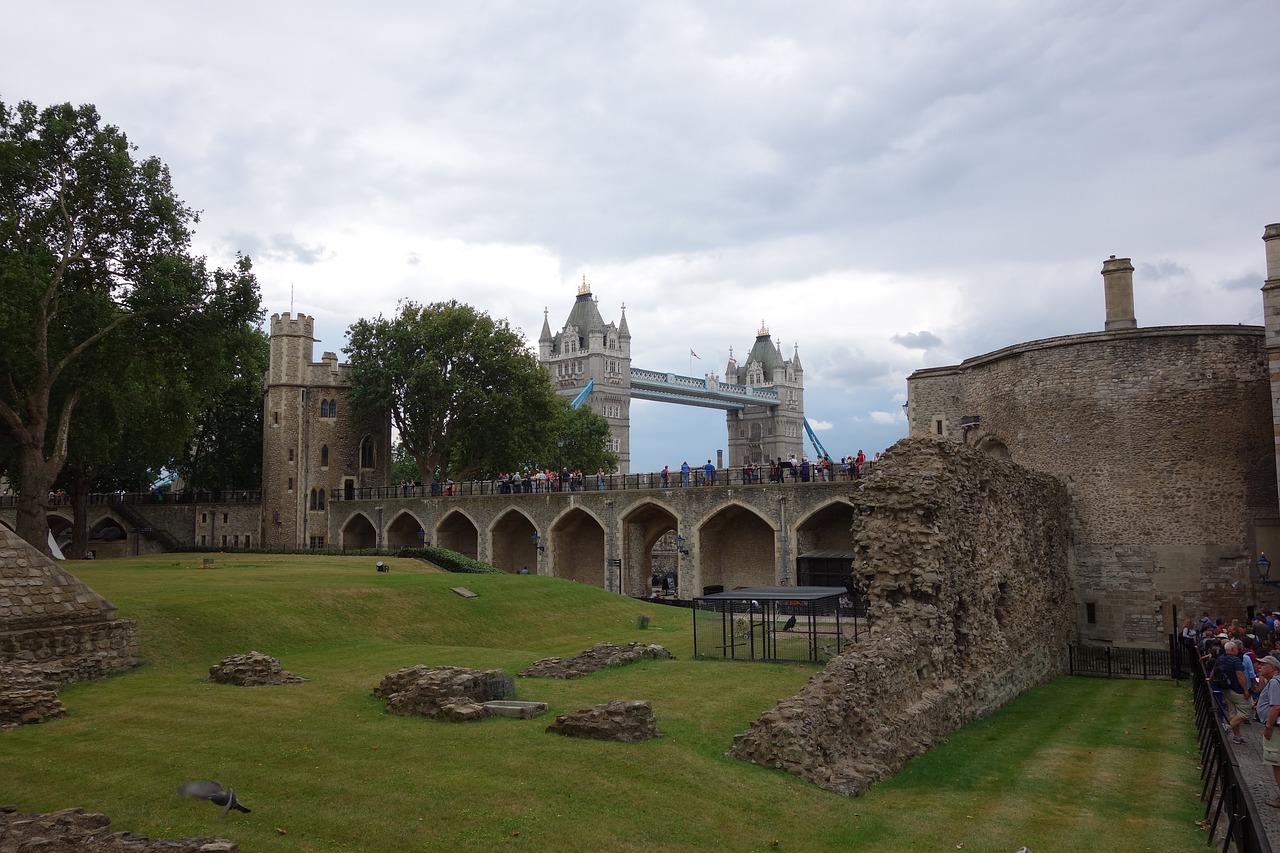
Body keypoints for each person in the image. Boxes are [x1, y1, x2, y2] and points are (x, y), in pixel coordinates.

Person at [1213, 640, 1252, 744]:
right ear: (1234, 649)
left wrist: (1209, 680)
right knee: (1245, 712)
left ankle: (1237, 736)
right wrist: (1245, 689)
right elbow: (1240, 676)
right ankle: (1226, 727)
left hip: (1226, 688)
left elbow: (1214, 670)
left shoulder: (1220, 658)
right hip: (1237, 690)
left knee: (1233, 712)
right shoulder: (1236, 660)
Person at [1257, 655, 1280, 807]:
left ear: (1272, 668)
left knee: (1276, 762)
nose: (1260, 667)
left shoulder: (1274, 682)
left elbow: (1276, 706)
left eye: (1263, 664)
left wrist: (1268, 727)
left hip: (1276, 727)